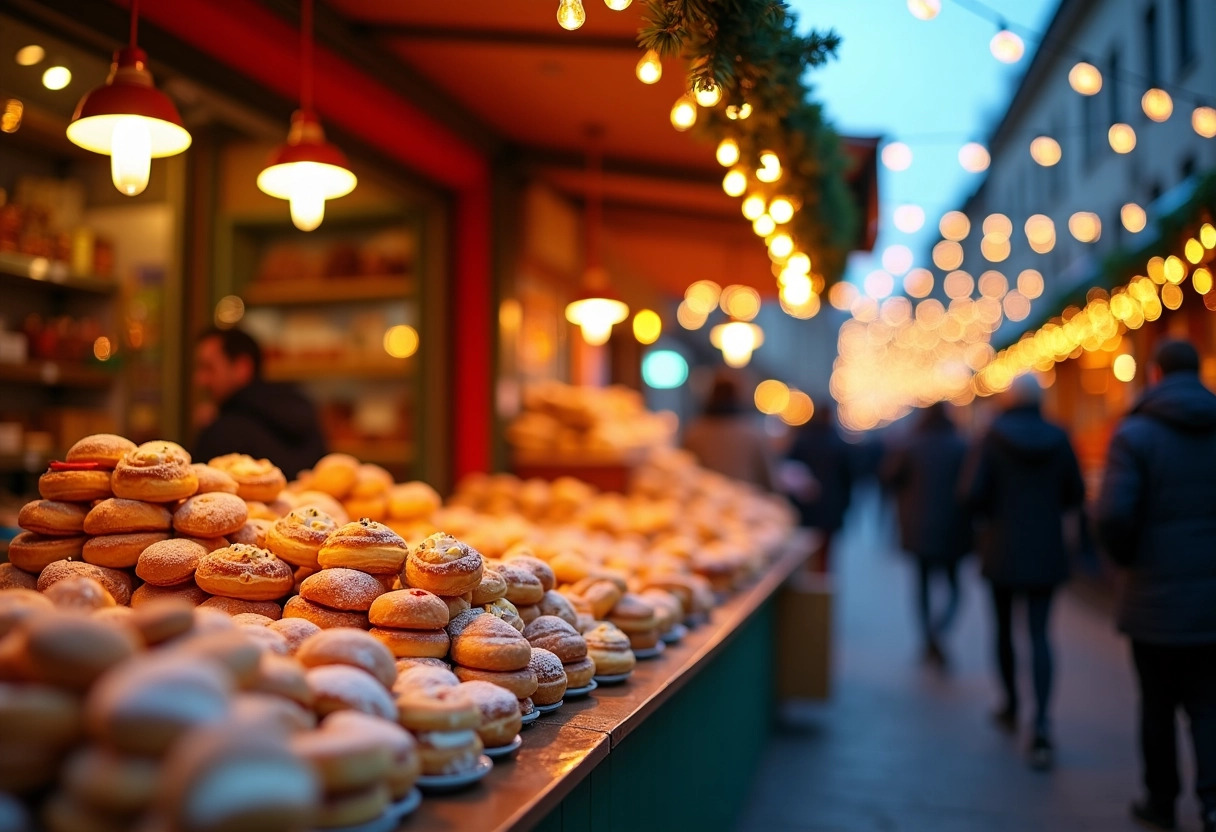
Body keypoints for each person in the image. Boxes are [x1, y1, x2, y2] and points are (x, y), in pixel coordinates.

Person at [1095, 339, 1216, 832]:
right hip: (1211, 598)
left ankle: (1161, 801)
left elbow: (1112, 515)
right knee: (1210, 705)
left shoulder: (1135, 434)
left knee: (1158, 704)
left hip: (1154, 597)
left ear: (1155, 375)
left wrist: (1129, 564)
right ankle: (1213, 805)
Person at [962, 374, 1084, 771]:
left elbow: (971, 494)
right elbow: (1076, 493)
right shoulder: (1059, 436)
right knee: (1040, 634)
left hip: (1002, 548)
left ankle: (1011, 704)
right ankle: (1043, 723)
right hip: (1046, 549)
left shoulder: (992, 437)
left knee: (1002, 630)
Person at [881, 402, 971, 666]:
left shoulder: (911, 445)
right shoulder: (961, 446)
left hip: (917, 526)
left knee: (922, 586)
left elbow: (888, 476)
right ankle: (938, 632)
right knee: (955, 588)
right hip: (954, 529)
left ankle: (928, 637)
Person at [193, 326, 327, 478]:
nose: (200, 380)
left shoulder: (224, 431)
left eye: (208, 368)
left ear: (242, 367)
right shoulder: (301, 408)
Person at [786, 402, 853, 573]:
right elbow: (847, 477)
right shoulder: (838, 442)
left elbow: (790, 469)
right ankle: (822, 583)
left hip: (805, 506)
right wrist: (845, 505)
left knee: (804, 550)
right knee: (825, 552)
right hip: (831, 505)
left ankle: (808, 581)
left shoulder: (801, 439)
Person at [682, 375, 775, 490]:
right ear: (739, 397)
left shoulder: (694, 431)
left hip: (703, 501)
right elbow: (769, 479)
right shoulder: (752, 434)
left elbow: (685, 472)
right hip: (746, 502)